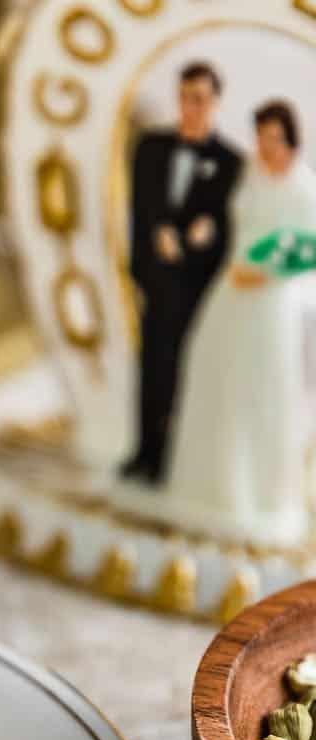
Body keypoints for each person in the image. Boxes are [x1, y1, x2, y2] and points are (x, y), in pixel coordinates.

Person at [163, 101, 316, 545]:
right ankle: (207, 487)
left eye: (274, 138)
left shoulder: (303, 189)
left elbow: (308, 250)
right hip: (231, 288)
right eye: (260, 137)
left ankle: (257, 493)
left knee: (260, 386)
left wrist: (267, 272)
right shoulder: (246, 175)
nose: (266, 147)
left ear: (289, 140)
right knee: (214, 375)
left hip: (269, 301)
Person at [122, 62, 243, 484]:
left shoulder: (230, 162)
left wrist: (204, 235)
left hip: (199, 288)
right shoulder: (151, 146)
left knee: (190, 372)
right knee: (151, 367)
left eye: (201, 99)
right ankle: (145, 452)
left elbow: (233, 225)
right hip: (156, 279)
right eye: (186, 97)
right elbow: (138, 208)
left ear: (215, 103)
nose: (192, 107)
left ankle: (179, 457)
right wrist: (152, 245)